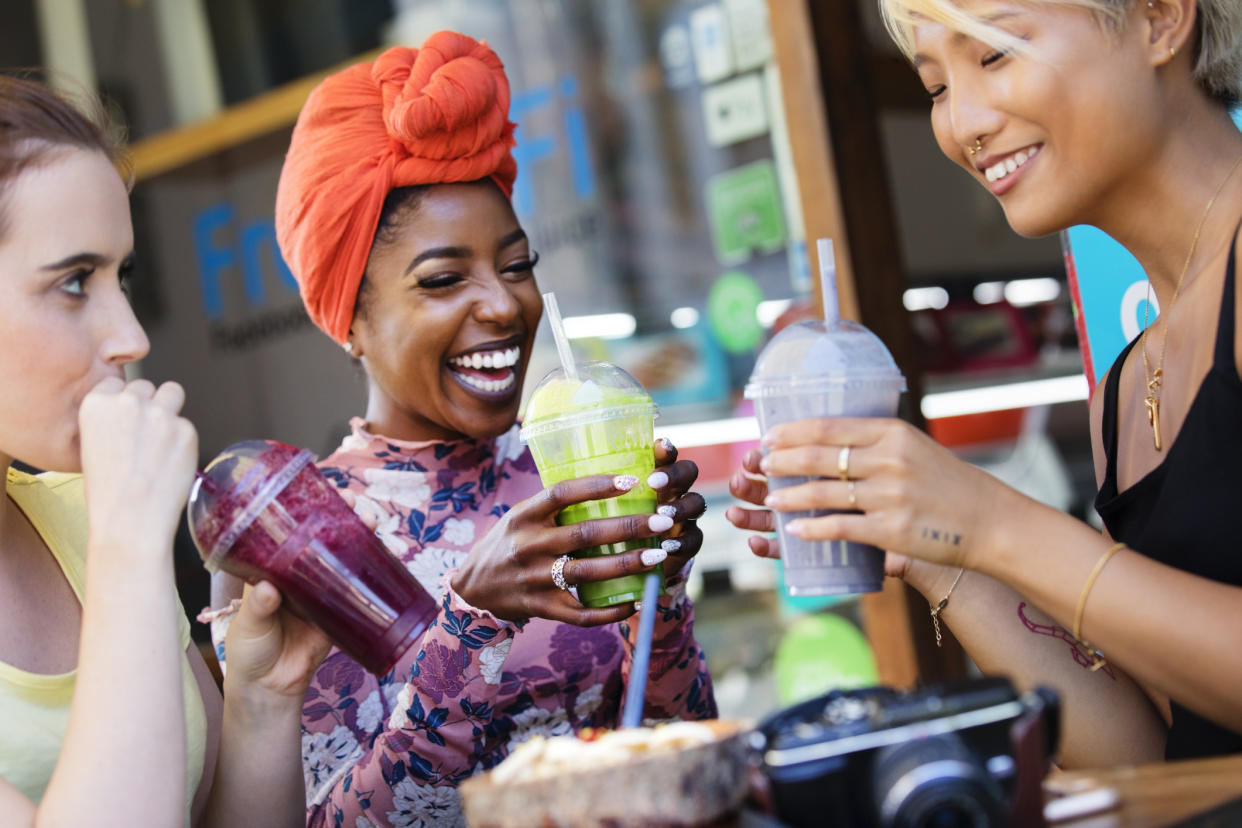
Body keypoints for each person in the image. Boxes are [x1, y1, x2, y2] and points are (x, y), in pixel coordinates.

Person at [210, 31, 716, 826]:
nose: (505, 304)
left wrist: (662, 595)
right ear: (350, 320)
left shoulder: (566, 466)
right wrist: (472, 622)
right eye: (444, 279)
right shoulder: (301, 532)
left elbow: (675, 761)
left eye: (516, 265)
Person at [728, 0, 1242, 767]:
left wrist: (992, 521)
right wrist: (944, 554)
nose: (963, 122)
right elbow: (1155, 751)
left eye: (994, 56)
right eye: (935, 86)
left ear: (1161, 18)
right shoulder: (1128, 388)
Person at [0, 72, 331, 826]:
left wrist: (261, 700)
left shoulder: (86, 515)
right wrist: (127, 548)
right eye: (75, 282)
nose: (132, 338)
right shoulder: (114, 529)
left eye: (123, 277)